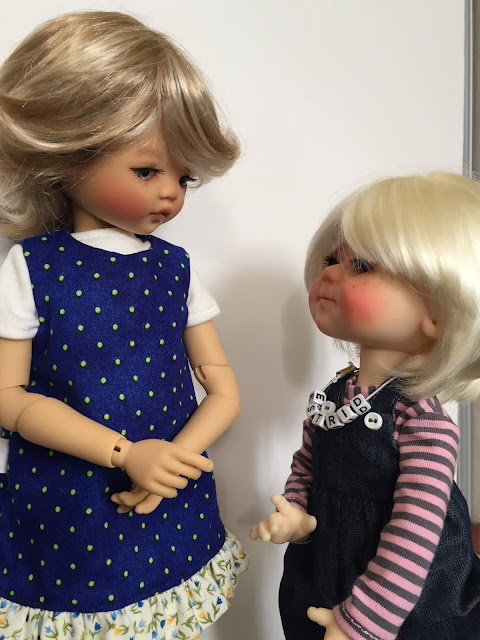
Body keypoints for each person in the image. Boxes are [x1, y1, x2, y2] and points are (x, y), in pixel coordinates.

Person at [0, 11, 247, 639]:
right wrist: (125, 453)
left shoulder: (176, 268)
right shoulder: (33, 267)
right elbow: (7, 397)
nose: (171, 194)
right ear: (66, 155)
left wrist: (173, 461)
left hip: (173, 491)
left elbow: (223, 388)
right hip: (70, 498)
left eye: (184, 177)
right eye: (147, 171)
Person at [250, 171, 480, 639]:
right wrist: (295, 510)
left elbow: (417, 530)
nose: (330, 273)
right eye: (331, 259)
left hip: (403, 597)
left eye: (362, 266)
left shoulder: (422, 421)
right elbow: (307, 464)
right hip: (324, 564)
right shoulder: (337, 395)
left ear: (439, 311)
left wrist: (365, 620)